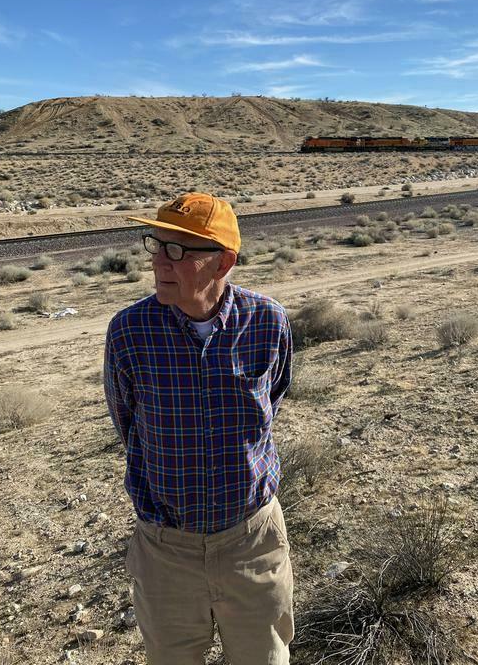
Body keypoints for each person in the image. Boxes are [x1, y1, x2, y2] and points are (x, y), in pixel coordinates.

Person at [104, 192, 294, 665]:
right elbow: (128, 425)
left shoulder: (267, 322)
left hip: (253, 543)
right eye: (156, 244)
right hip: (165, 551)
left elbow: (272, 401)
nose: (158, 262)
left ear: (223, 261)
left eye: (177, 250)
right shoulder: (129, 332)